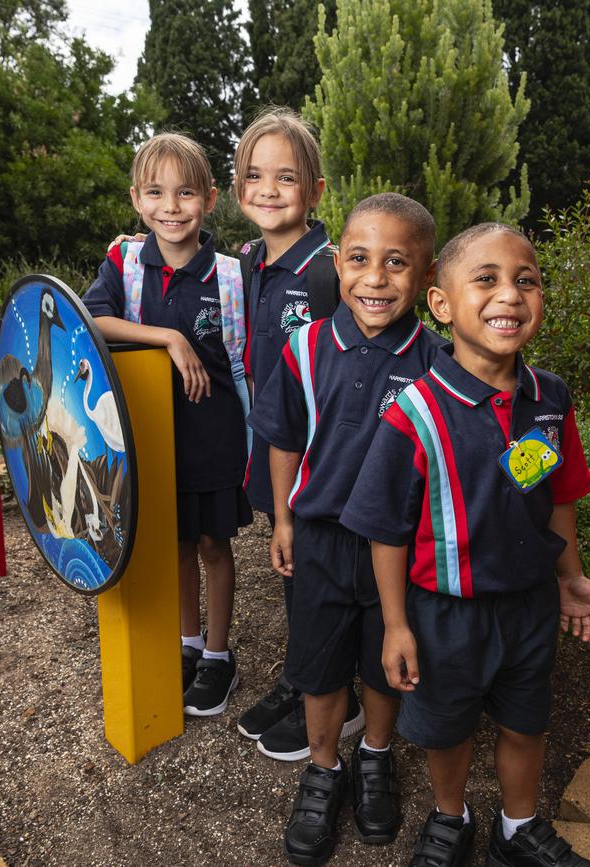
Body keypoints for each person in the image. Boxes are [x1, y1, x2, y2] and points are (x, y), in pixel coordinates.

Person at [341, 223, 590, 867]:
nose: (509, 295)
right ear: (442, 304)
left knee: (525, 721)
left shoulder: (549, 400)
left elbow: (557, 497)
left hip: (528, 606)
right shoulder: (416, 412)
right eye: (485, 280)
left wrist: (569, 578)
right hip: (444, 615)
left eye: (526, 280)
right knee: (447, 728)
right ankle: (450, 819)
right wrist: (396, 626)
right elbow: (385, 530)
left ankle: (517, 827)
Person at [248, 193, 447, 865]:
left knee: (385, 667)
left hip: (401, 551)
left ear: (425, 278)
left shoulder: (438, 361)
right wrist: (282, 516)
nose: (375, 278)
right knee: (319, 668)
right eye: (360, 259)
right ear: (338, 264)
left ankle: (376, 759)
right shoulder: (306, 346)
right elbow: (282, 438)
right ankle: (325, 768)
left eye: (397, 263)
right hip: (321, 540)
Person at [82, 132, 252, 718]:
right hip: (152, 438)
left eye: (184, 193)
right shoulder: (125, 263)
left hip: (214, 438)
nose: (170, 207)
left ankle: (219, 655)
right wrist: (168, 337)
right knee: (176, 543)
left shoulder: (231, 274)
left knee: (212, 543)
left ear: (208, 198)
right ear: (136, 199)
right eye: (155, 193)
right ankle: (187, 642)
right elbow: (94, 320)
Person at [233, 107, 363, 762]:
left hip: (322, 463)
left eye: (287, 177)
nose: (269, 189)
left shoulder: (326, 270)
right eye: (255, 175)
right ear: (237, 186)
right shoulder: (251, 260)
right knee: (292, 573)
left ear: (314, 191)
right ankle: (300, 676)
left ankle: (341, 694)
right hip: (275, 449)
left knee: (319, 578)